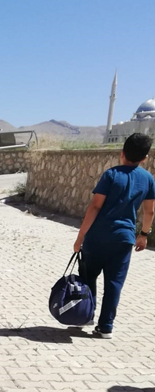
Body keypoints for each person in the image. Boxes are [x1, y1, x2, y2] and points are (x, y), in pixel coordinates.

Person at [74, 132, 154, 339]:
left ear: (122, 153)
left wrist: (80, 237)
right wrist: (143, 234)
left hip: (97, 237)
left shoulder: (111, 175)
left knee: (88, 276)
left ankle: (86, 316)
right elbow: (149, 212)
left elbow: (95, 207)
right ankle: (106, 327)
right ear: (145, 158)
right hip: (124, 239)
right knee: (114, 283)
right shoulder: (148, 179)